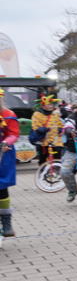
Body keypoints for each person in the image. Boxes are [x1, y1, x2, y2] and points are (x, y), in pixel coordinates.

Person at [29, 94, 63, 166]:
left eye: (52, 104)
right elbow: (35, 126)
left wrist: (60, 128)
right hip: (44, 140)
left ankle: (56, 171)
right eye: (49, 104)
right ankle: (43, 172)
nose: (51, 106)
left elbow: (60, 123)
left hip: (56, 141)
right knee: (43, 160)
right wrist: (42, 129)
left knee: (57, 158)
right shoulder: (37, 114)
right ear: (43, 105)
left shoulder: (55, 114)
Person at [0, 102, 17, 240]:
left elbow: (13, 133)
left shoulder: (8, 114)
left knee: (1, 187)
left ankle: (6, 222)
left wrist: (6, 143)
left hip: (2, 152)